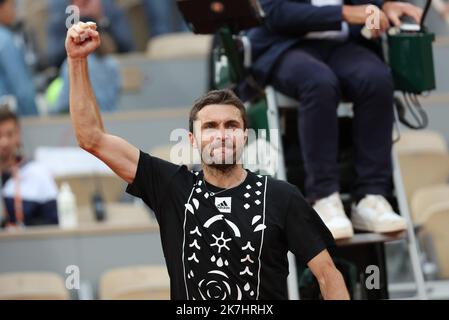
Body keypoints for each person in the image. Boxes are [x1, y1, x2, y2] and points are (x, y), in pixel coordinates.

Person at [66, 21, 350, 300]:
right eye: (210, 127)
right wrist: (77, 61)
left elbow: (328, 275)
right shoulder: (172, 187)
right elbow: (91, 138)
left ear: (245, 136)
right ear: (192, 140)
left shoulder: (280, 196)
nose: (222, 135)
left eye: (231, 126)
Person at [245, 0, 423, 239]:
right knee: (318, 83)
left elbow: (365, 6)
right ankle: (324, 198)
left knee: (377, 79)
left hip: (342, 45)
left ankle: (371, 197)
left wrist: (383, 8)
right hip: (285, 46)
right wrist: (347, 13)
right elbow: (277, 14)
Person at [0, 105, 58, 228]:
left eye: (9, 134)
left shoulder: (38, 174)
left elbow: (53, 226)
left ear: (18, 135)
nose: (4, 142)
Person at [47, 0, 134, 68]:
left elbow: (126, 47)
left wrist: (101, 20)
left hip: (112, 68)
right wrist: (74, 30)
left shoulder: (110, 12)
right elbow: (53, 60)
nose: (83, 5)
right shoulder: (61, 19)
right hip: (71, 72)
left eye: (87, 1)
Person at [0, 0, 37, 116]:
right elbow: (23, 90)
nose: (14, 11)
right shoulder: (6, 41)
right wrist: (35, 118)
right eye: (11, 6)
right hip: (10, 118)